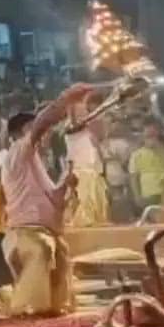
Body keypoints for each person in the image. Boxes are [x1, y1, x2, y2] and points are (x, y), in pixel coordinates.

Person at [0, 83, 93, 316]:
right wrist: (65, 99)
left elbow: (54, 200)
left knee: (59, 248)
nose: (45, 134)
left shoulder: (36, 162)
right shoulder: (17, 153)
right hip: (25, 233)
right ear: (20, 134)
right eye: (33, 129)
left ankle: (55, 309)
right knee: (42, 248)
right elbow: (42, 124)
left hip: (45, 230)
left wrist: (65, 184)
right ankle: (26, 309)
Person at [64, 92, 110, 228]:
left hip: (94, 167)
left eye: (84, 109)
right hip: (80, 168)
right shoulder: (70, 127)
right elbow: (76, 124)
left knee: (99, 198)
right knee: (85, 199)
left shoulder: (90, 128)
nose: (83, 112)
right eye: (79, 110)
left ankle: (98, 221)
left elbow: (100, 139)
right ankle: (84, 223)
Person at [128, 121, 164, 211]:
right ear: (142, 137)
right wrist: (137, 196)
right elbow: (133, 177)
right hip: (149, 193)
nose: (152, 139)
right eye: (148, 136)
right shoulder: (137, 154)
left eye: (154, 135)